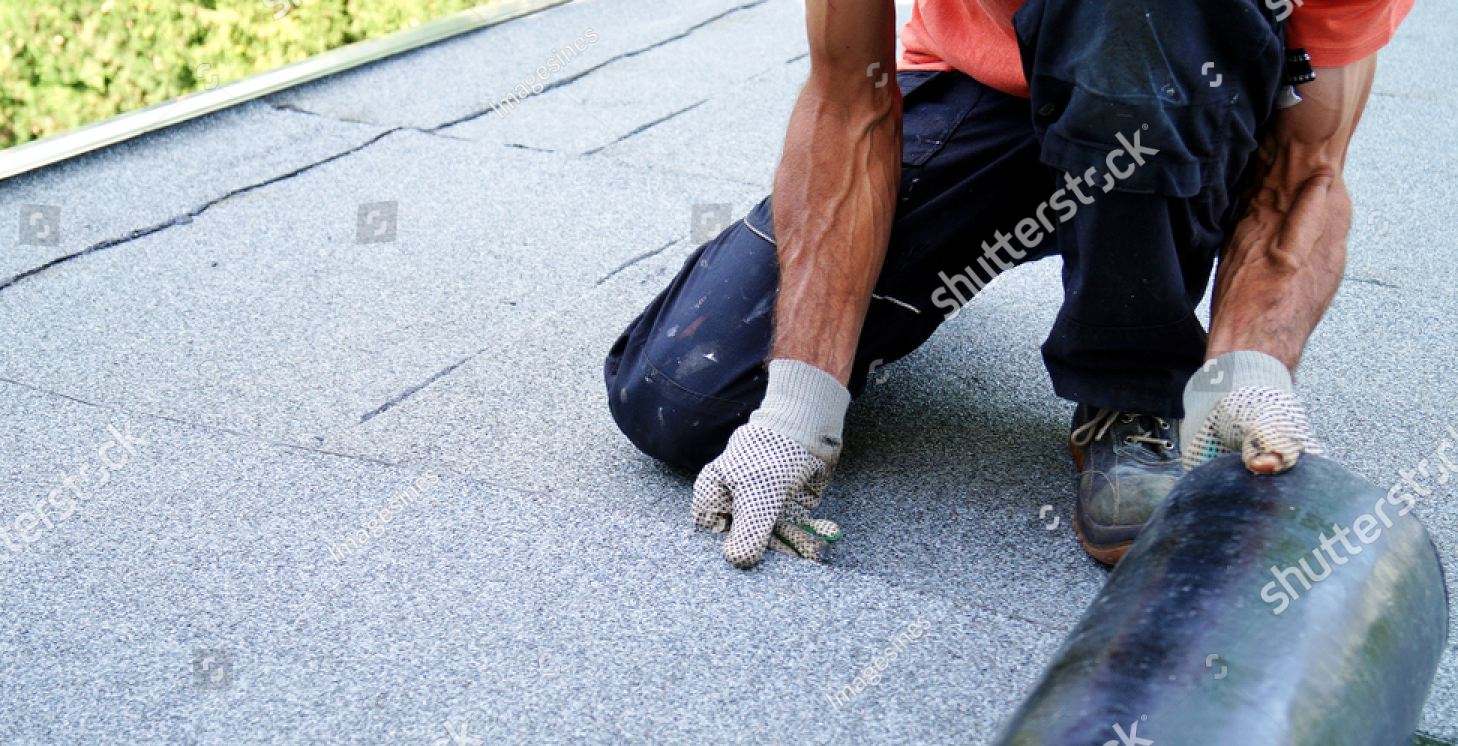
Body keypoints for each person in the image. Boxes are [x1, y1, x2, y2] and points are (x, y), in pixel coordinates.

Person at [603, 0, 1410, 567]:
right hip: (985, 95)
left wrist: (1251, 367)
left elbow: (1305, 168)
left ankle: (1128, 388)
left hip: (1176, 119)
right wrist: (796, 404)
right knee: (683, 395)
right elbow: (849, 97)